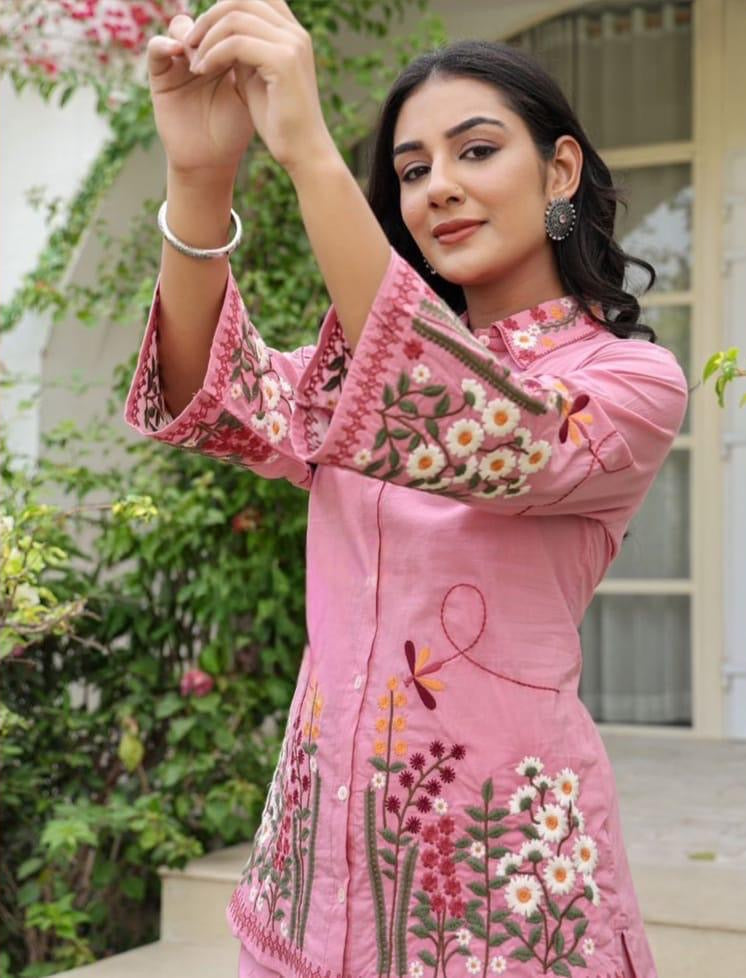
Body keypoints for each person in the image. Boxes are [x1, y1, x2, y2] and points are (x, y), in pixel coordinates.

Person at [126, 3, 689, 977]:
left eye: (475, 152)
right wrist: (201, 177)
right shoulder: (361, 375)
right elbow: (209, 392)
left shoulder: (628, 385)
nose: (440, 190)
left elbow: (467, 423)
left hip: (497, 888)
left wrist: (307, 149)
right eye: (415, 170)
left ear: (559, 171)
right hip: (317, 871)